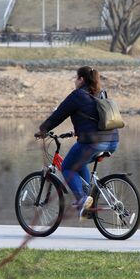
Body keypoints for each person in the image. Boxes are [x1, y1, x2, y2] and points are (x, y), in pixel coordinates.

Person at [35, 66, 119, 219]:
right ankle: (88, 201)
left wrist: (43, 130)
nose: (75, 81)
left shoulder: (77, 95)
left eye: (76, 78)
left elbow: (58, 115)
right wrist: (77, 132)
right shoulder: (101, 93)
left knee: (67, 167)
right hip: (113, 141)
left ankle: (82, 200)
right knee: (80, 163)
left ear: (81, 79)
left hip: (93, 143)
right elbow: (96, 119)